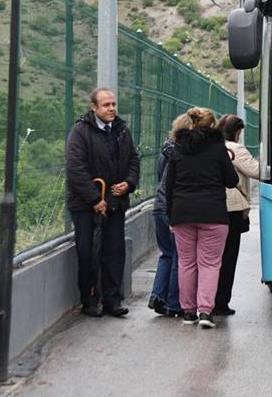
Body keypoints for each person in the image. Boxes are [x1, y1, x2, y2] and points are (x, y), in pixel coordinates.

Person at [65, 87, 140, 318]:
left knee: (114, 252)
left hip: (115, 203)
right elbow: (76, 168)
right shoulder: (80, 131)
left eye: (114, 104)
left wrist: (128, 183)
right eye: (106, 105)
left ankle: (112, 300)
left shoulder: (121, 130)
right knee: (87, 253)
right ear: (93, 107)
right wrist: (95, 199)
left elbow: (134, 160)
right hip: (85, 206)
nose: (111, 109)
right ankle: (89, 300)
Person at [166, 107, 238, 328]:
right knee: (210, 264)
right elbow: (231, 181)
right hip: (213, 214)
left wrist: (171, 216)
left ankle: (188, 312)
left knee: (186, 263)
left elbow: (169, 186)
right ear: (212, 126)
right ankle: (205, 312)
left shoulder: (178, 149)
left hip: (182, 213)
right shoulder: (218, 150)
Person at [214, 114, 260, 316]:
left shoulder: (212, 146)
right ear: (236, 132)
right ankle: (221, 302)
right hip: (232, 208)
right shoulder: (235, 148)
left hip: (212, 206)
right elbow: (256, 170)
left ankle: (205, 299)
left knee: (211, 258)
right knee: (228, 257)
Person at [147, 113, 192, 318]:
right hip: (174, 209)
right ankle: (174, 303)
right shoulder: (185, 153)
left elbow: (161, 178)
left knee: (166, 254)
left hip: (159, 206)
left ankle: (157, 295)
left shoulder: (165, 149)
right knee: (179, 257)